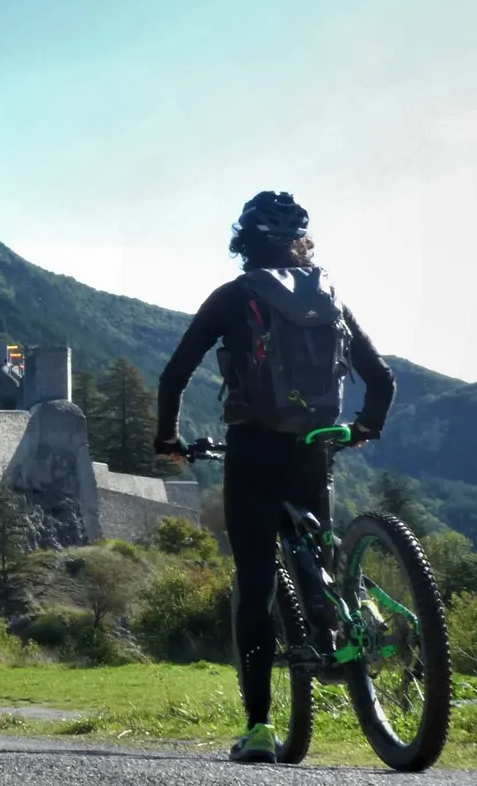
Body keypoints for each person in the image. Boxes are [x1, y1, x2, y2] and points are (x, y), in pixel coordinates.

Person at [153, 190, 396, 764]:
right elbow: (381, 378)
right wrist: (364, 428)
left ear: (244, 242)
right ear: (300, 243)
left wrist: (168, 438)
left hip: (254, 448)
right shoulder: (329, 296)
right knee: (322, 552)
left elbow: (174, 375)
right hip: (314, 445)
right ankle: (352, 618)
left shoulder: (236, 296)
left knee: (257, 585)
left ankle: (260, 727)